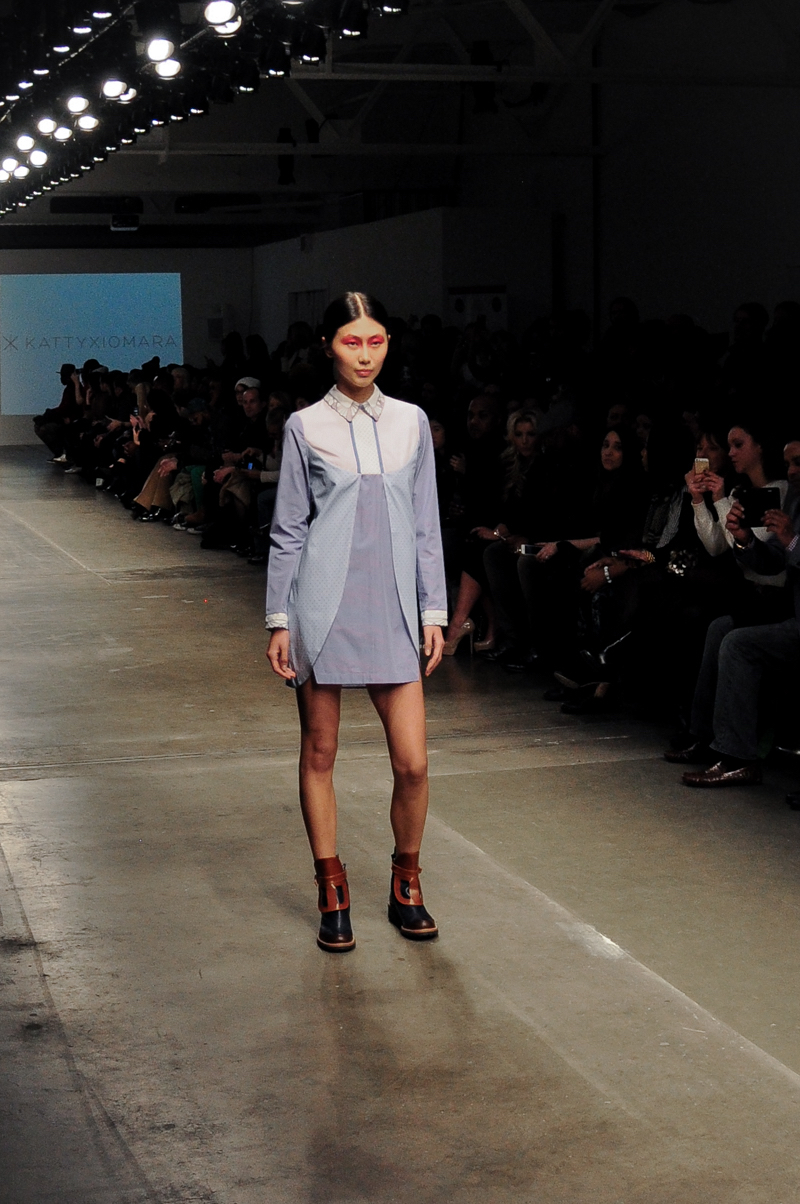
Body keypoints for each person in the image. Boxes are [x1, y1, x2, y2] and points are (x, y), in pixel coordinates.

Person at [265, 292, 448, 953]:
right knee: (320, 752)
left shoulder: (411, 422)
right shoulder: (304, 426)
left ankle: (406, 883)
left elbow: (426, 522)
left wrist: (434, 609)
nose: (365, 355)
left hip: (394, 606)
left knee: (414, 764)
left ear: (389, 343)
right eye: (351, 341)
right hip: (323, 603)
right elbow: (289, 528)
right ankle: (332, 887)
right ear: (328, 347)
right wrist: (279, 618)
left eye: (375, 341)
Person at [668, 437, 800, 787]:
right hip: (768, 600)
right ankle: (707, 738)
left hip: (780, 604)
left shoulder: (782, 492)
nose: (792, 471)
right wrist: (743, 537)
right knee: (718, 629)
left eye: (798, 463)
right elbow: (766, 558)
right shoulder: (784, 498)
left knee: (735, 641)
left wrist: (789, 541)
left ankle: (737, 755)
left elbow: (782, 558)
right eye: (789, 463)